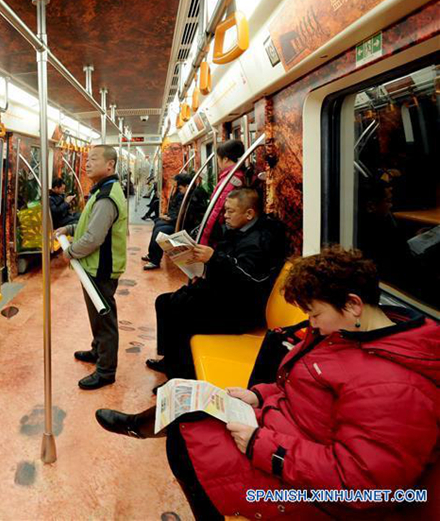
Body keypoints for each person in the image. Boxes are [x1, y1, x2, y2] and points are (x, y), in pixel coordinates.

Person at [94, 246, 439, 520]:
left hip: (315, 493)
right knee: (192, 407)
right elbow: (300, 388)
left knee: (188, 442)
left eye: (315, 314)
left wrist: (263, 445)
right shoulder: (348, 333)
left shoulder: (396, 388)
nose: (311, 324)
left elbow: (361, 485)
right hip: (289, 431)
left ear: (352, 305)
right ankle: (143, 425)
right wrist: (258, 396)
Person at [147, 188, 286, 380]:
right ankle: (171, 359)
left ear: (249, 213)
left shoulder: (260, 241)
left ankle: (179, 376)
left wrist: (213, 259)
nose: (225, 216)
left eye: (230, 211)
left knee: (181, 313)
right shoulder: (239, 231)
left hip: (242, 309)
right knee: (164, 301)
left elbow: (247, 278)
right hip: (228, 294)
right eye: (225, 211)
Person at [54, 145, 128, 390]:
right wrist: (70, 229)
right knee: (97, 317)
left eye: (94, 159)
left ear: (110, 165)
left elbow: (95, 237)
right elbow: (90, 224)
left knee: (105, 320)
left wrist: (70, 252)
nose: (87, 163)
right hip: (94, 267)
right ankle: (98, 350)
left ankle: (106, 371)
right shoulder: (101, 191)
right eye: (87, 159)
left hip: (102, 268)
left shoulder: (107, 196)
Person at [143, 173, 208, 270]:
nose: (179, 190)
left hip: (186, 226)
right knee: (158, 223)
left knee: (159, 231)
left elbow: (187, 215)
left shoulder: (194, 197)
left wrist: (171, 218)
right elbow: (178, 210)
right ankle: (152, 255)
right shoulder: (185, 194)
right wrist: (169, 217)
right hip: (180, 222)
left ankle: (155, 261)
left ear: (187, 186)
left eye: (180, 188)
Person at [199, 139, 245, 247]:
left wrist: (205, 234)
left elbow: (217, 210)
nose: (218, 163)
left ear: (225, 159)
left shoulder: (230, 180)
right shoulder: (233, 176)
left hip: (221, 232)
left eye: (218, 160)